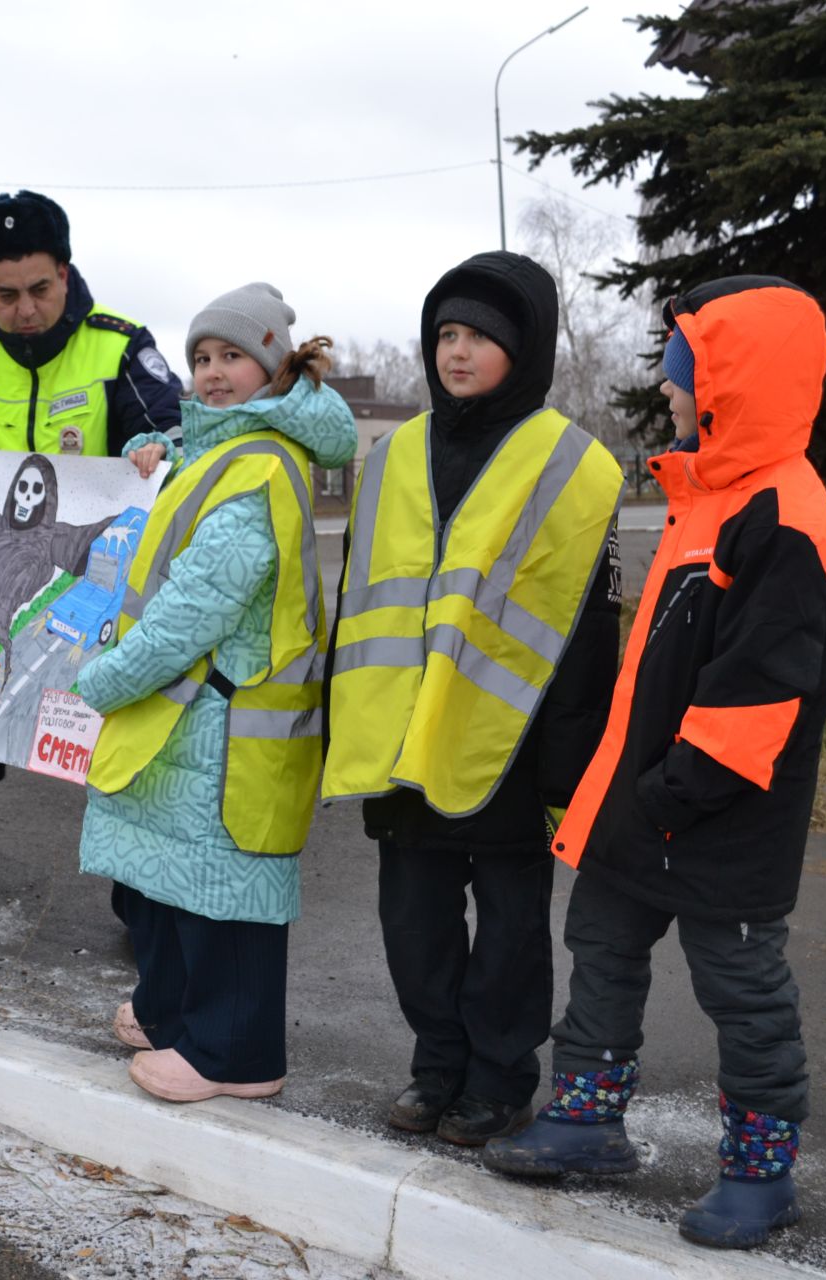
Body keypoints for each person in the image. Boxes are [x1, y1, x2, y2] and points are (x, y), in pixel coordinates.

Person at [483, 277, 826, 1252]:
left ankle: (759, 1171)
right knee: (602, 945)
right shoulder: (707, 494)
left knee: (743, 984)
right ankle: (588, 1116)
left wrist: (669, 791)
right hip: (645, 802)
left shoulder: (789, 518)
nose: (675, 394)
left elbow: (758, 693)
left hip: (723, 812)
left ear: (735, 381)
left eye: (688, 376)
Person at [321, 253, 624, 1147]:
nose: (458, 352)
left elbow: (586, 633)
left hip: (509, 746)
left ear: (524, 349)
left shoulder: (576, 465)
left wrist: (567, 767)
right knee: (415, 928)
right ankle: (436, 1065)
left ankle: (498, 1080)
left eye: (482, 337)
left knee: (509, 938)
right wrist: (352, 730)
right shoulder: (395, 455)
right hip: (401, 747)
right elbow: (360, 603)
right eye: (447, 334)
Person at [82, 283, 356, 1103]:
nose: (211, 372)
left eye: (233, 356)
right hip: (193, 711)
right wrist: (153, 448)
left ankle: (236, 1055)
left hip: (226, 715)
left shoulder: (260, 465)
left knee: (225, 897)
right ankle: (175, 1014)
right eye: (201, 357)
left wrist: (101, 680)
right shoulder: (220, 453)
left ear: (274, 369)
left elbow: (195, 608)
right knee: (172, 884)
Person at [0, 189, 185, 860]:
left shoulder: (120, 347)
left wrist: (160, 447)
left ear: (65, 274)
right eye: (5, 294)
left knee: (124, 752)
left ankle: (143, 909)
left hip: (102, 585)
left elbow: (172, 440)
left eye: (40, 288)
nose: (25, 309)